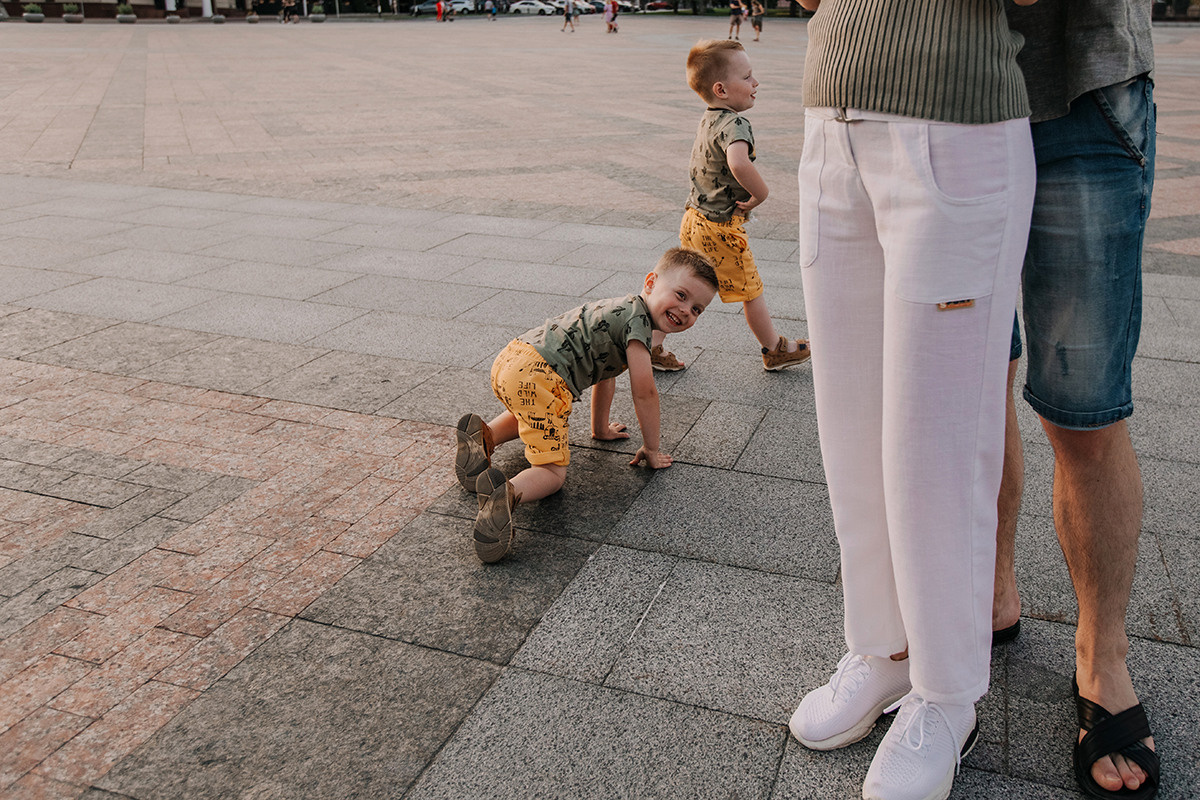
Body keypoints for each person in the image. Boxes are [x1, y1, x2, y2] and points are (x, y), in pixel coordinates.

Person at [786, 2, 1037, 798]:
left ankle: (946, 691)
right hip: (831, 118)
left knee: (936, 444)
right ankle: (883, 649)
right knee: (849, 425)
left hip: (957, 128)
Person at [992, 3, 1160, 798]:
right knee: (968, 387)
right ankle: (994, 588)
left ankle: (1102, 653)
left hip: (1080, 93)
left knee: (1083, 413)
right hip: (938, 105)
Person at [453, 248, 718, 563]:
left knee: (533, 413)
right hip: (543, 379)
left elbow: (606, 375)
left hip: (515, 358)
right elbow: (645, 392)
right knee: (552, 473)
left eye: (697, 309)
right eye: (681, 295)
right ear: (651, 283)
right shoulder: (639, 329)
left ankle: (484, 437)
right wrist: (651, 448)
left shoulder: (620, 308)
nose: (686, 310)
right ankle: (506, 495)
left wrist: (600, 429)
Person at [653, 40, 809, 374]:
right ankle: (774, 348)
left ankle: (651, 346)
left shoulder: (709, 118)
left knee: (680, 285)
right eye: (748, 76)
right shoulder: (736, 124)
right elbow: (738, 163)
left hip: (694, 217)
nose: (756, 83)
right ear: (721, 89)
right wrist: (761, 193)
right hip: (721, 229)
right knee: (751, 290)